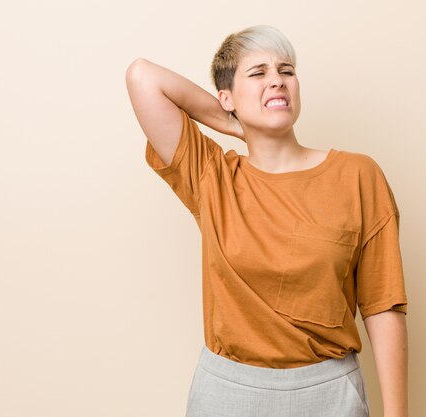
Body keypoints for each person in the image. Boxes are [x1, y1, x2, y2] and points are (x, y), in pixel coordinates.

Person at [125, 25, 408, 417]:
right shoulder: (212, 177)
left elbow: (382, 304)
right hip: (226, 393)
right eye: (258, 73)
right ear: (226, 97)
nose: (276, 80)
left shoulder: (358, 175)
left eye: (286, 71)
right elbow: (142, 77)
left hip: (329, 392)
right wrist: (231, 123)